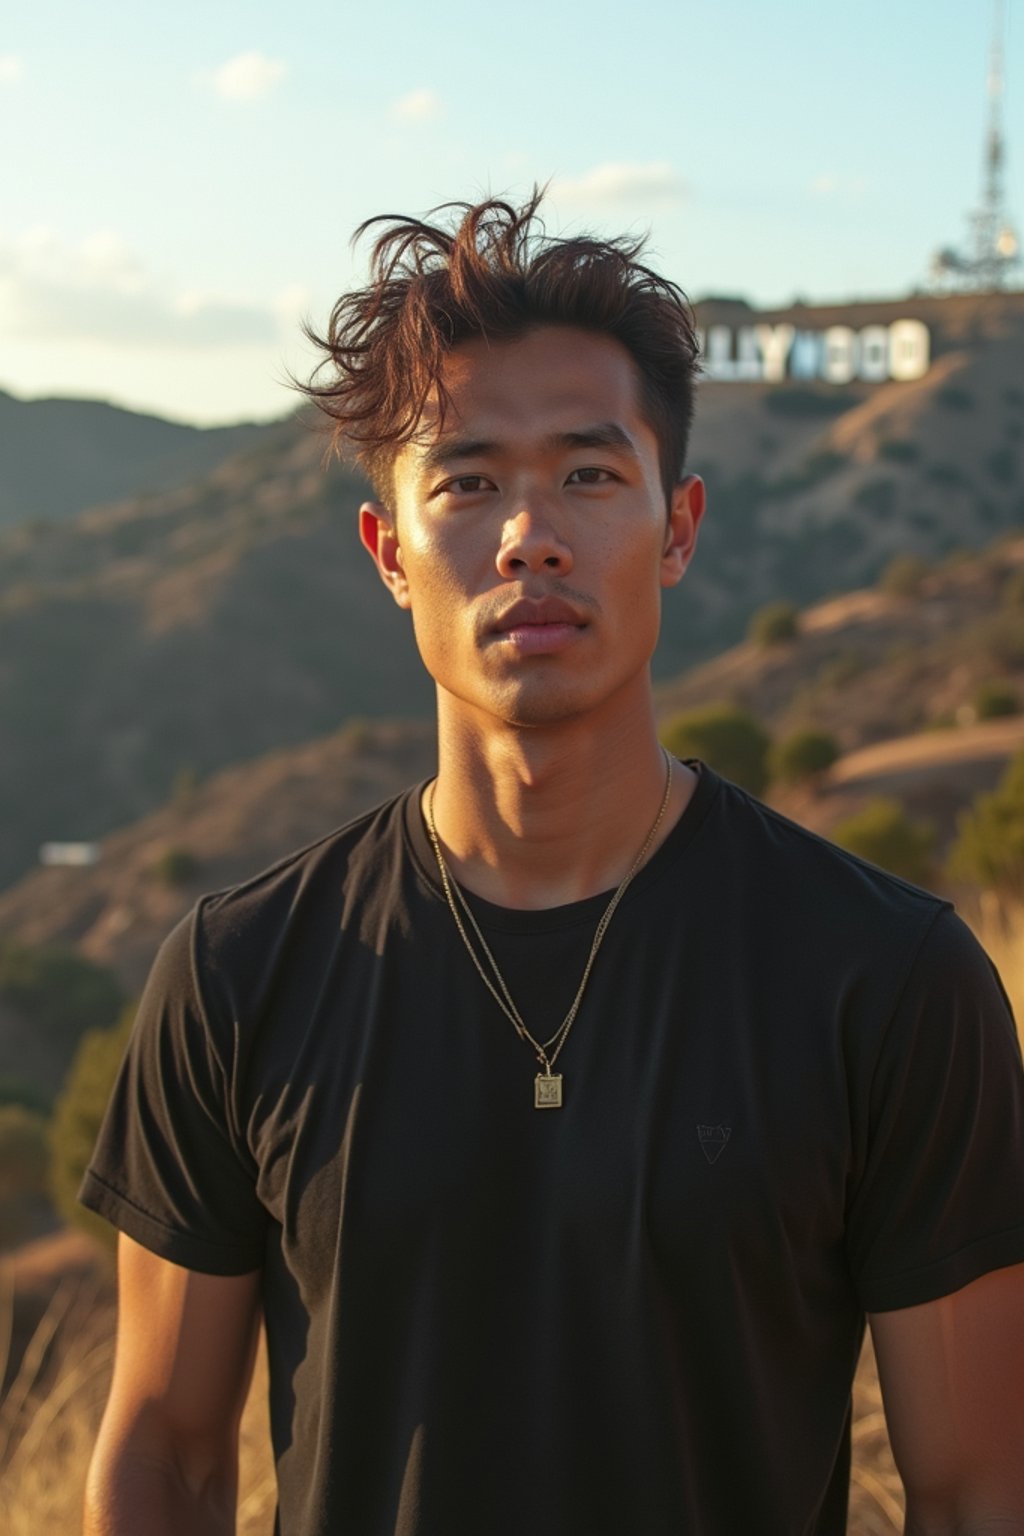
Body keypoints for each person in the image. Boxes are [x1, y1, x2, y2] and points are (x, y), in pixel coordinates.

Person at [81, 192, 1024, 1536]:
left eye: (589, 473)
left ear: (680, 526)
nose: (532, 534)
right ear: (390, 553)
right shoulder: (240, 975)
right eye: (467, 482)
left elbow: (979, 1491)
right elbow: (162, 1459)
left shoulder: (884, 977)